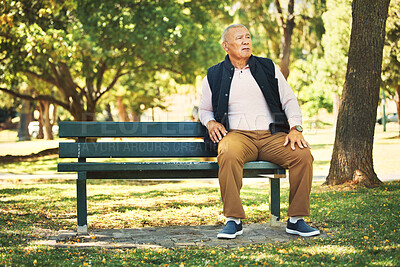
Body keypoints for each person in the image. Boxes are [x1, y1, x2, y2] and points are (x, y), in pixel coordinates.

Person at [199, 24, 320, 239]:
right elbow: (204, 110)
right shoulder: (213, 74)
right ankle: (233, 220)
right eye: (239, 38)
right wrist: (210, 123)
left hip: (272, 136)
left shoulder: (268, 67)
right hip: (237, 135)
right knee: (227, 153)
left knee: (302, 155)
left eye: (248, 37)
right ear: (226, 46)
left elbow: (289, 100)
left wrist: (296, 128)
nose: (246, 41)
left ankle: (296, 219)